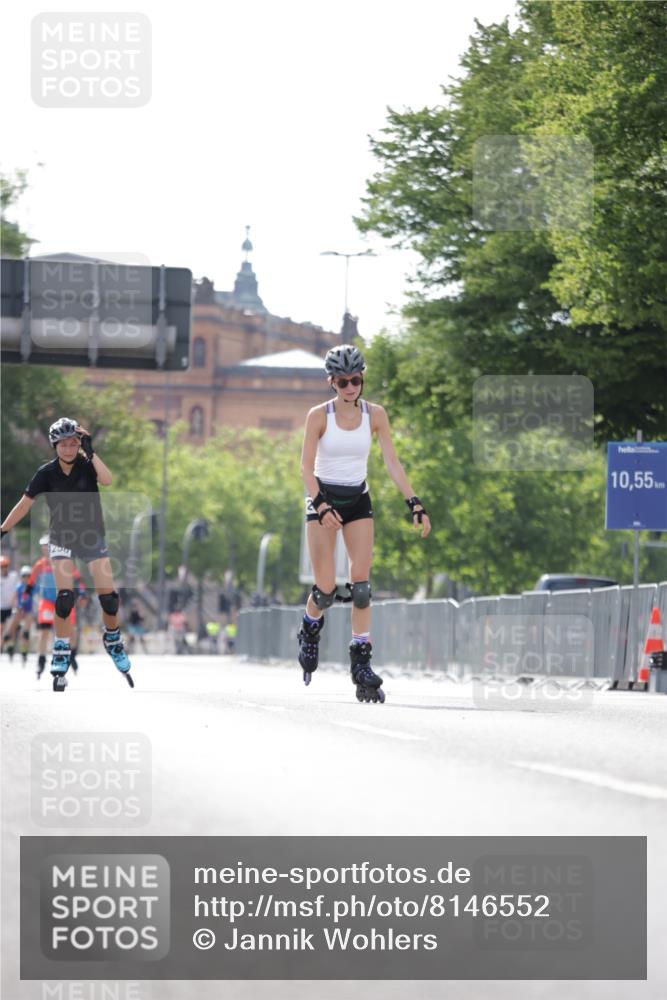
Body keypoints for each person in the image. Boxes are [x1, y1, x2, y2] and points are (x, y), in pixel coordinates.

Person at [298, 344, 431, 702]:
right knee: (325, 590)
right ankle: (310, 629)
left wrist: (414, 502)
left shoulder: (376, 415)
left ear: (362, 378)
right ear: (332, 382)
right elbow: (305, 469)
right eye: (342, 382)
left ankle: (361, 663)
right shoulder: (318, 416)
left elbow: (392, 463)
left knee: (361, 586)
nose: (350, 387)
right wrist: (322, 506)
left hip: (358, 500)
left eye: (355, 379)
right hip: (322, 500)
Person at [0, 418, 134, 691]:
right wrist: (2, 529)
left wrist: (91, 451)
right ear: (55, 445)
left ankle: (112, 639)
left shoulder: (87, 465)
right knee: (64, 598)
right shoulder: (45, 473)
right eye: (64, 444)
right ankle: (60, 648)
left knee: (109, 599)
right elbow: (24, 505)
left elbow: (107, 480)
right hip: (61, 538)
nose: (69, 448)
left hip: (91, 537)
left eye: (74, 443)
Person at [4, 565, 35, 665]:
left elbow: (36, 598)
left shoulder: (33, 586)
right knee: (11, 631)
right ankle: (10, 649)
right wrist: (15, 608)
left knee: (24, 632)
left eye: (28, 576)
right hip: (19, 610)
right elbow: (14, 598)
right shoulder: (19, 586)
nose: (26, 578)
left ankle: (24, 653)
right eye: (24, 576)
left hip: (28, 611)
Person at [0, 557, 19, 650]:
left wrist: (15, 601)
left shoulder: (13, 576)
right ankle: (2, 646)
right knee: (1, 627)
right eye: (2, 566)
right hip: (1, 607)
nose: (4, 568)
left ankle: (10, 645)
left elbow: (17, 589)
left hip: (11, 606)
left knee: (12, 626)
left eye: (6, 566)